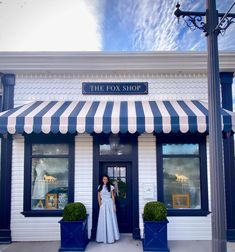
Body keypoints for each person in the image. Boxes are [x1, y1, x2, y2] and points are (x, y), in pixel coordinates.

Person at [96, 175, 120, 244]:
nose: (105, 180)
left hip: (110, 204)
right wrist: (100, 205)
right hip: (103, 204)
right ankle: (103, 237)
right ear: (102, 180)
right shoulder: (99, 187)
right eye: (104, 179)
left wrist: (114, 205)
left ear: (108, 180)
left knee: (111, 219)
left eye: (106, 179)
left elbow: (112, 196)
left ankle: (112, 237)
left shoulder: (111, 187)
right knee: (103, 220)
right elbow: (98, 197)